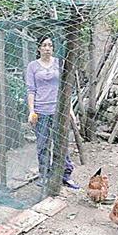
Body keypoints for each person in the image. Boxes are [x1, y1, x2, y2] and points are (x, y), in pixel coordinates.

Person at [25, 36, 80, 189]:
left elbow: (65, 88)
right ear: (39, 48)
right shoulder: (32, 66)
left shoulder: (59, 64)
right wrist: (31, 111)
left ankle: (65, 175)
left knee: (61, 143)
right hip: (41, 111)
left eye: (50, 45)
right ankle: (44, 175)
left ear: (53, 48)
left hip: (59, 110)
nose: (47, 48)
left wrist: (69, 110)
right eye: (44, 45)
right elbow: (31, 90)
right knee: (43, 145)